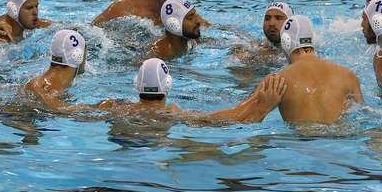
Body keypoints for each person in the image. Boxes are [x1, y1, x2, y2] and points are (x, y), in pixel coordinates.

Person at [88, 58, 287, 124]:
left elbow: (62, 110)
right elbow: (227, 120)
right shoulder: (172, 114)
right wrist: (259, 104)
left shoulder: (113, 106)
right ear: (168, 84)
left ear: (136, 83)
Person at [250, 15, 364, 124]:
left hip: (301, 142)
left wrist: (262, 109)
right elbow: (364, 114)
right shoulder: (348, 76)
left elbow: (241, 121)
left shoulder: (277, 81)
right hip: (343, 139)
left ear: (285, 41)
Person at [23, 29, 88, 112]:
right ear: (78, 56)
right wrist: (98, 107)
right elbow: (61, 109)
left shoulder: (53, 86)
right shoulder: (39, 88)